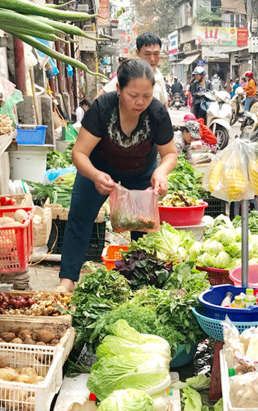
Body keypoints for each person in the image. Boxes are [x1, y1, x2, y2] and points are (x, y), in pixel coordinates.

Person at [57, 59, 177, 292]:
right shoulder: (103, 108)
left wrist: (161, 172)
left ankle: (140, 284)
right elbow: (79, 153)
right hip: (99, 168)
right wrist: (94, 175)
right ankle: (67, 280)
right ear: (119, 89)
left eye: (147, 95)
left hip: (141, 171)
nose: (140, 102)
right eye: (133, 95)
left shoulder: (157, 112)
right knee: (79, 218)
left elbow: (170, 153)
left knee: (142, 227)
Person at [98, 33, 168, 106]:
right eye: (147, 54)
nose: (152, 59)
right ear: (137, 53)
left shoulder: (158, 75)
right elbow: (99, 100)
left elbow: (164, 102)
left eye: (156, 54)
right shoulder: (129, 73)